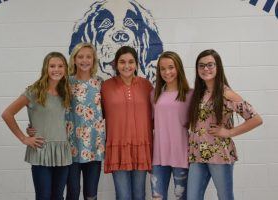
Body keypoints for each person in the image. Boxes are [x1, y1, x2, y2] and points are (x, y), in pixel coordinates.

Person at [187, 49, 263, 200]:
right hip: (197, 155)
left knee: (225, 197)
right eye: (201, 66)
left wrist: (229, 132)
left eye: (210, 65)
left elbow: (256, 119)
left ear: (218, 67)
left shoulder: (226, 93)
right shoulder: (198, 93)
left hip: (219, 155)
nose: (205, 69)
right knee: (192, 197)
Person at [1, 52, 72, 200]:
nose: (56, 69)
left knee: (58, 196)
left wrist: (32, 126)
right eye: (52, 66)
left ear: (65, 69)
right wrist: (24, 138)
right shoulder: (34, 91)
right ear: (45, 68)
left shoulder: (65, 92)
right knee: (43, 196)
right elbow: (7, 114)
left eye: (60, 66)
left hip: (62, 151)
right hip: (41, 150)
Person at [101, 46, 153, 200]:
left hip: (141, 147)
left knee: (139, 195)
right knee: (123, 196)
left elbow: (157, 116)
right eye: (122, 62)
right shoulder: (106, 87)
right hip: (118, 148)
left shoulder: (147, 86)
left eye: (131, 62)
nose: (127, 66)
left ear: (136, 64)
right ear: (116, 64)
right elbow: (96, 117)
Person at [65, 42, 105, 200]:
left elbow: (107, 111)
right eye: (80, 57)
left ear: (94, 60)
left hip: (95, 146)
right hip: (72, 146)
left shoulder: (100, 83)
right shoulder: (66, 83)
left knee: (91, 193)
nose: (84, 60)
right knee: (73, 192)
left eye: (88, 57)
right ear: (74, 59)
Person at [150, 51, 193, 200]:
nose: (167, 72)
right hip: (158, 156)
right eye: (163, 68)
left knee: (182, 197)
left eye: (171, 67)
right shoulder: (154, 94)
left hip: (181, 155)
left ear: (178, 68)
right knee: (157, 197)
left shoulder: (190, 94)